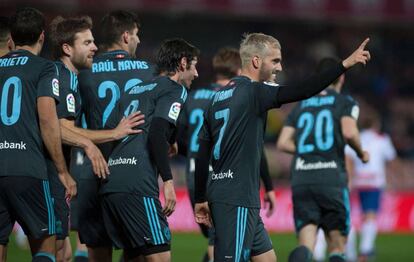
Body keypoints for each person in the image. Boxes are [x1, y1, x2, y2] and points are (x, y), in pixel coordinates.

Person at [194, 33, 371, 262]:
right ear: (256, 61)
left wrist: (200, 198)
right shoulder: (254, 91)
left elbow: (202, 152)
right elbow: (303, 91)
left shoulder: (217, 98)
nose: (280, 66)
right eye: (275, 61)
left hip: (232, 194)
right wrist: (344, 65)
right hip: (236, 197)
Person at [100, 38, 199, 262]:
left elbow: (113, 130)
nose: (197, 73)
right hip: (138, 184)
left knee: (133, 256)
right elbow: (156, 132)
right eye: (194, 66)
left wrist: (170, 140)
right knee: (159, 256)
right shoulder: (176, 89)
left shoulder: (134, 89)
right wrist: (169, 181)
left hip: (111, 182)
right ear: (183, 63)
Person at [177, 47, 276, 262]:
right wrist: (268, 185)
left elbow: (179, 136)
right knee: (222, 244)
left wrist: (192, 155)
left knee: (218, 240)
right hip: (222, 177)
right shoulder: (236, 96)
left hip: (195, 176)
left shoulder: (194, 96)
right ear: (239, 68)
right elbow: (253, 147)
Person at [76, 10, 155, 262]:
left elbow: (67, 123)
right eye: (136, 35)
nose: (139, 41)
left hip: (92, 171)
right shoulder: (150, 71)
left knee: (98, 252)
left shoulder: (84, 72)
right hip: (134, 173)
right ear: (125, 36)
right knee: (141, 251)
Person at [0, 7, 76, 262]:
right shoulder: (45, 68)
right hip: (29, 168)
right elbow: (47, 119)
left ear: (11, 38)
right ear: (42, 37)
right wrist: (62, 171)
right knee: (46, 246)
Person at [277, 57, 370, 262]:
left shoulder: (302, 105)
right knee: (337, 244)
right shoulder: (344, 102)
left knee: (305, 244)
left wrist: (308, 151)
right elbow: (349, 132)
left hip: (302, 179)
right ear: (341, 77)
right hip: (331, 179)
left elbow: (283, 143)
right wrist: (362, 153)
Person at [345, 112, 398, 262]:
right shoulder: (382, 139)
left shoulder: (357, 137)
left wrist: (349, 178)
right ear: (376, 125)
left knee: (349, 218)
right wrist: (396, 177)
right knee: (370, 216)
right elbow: (392, 160)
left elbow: (348, 158)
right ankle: (365, 251)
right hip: (374, 182)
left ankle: (350, 254)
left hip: (357, 182)